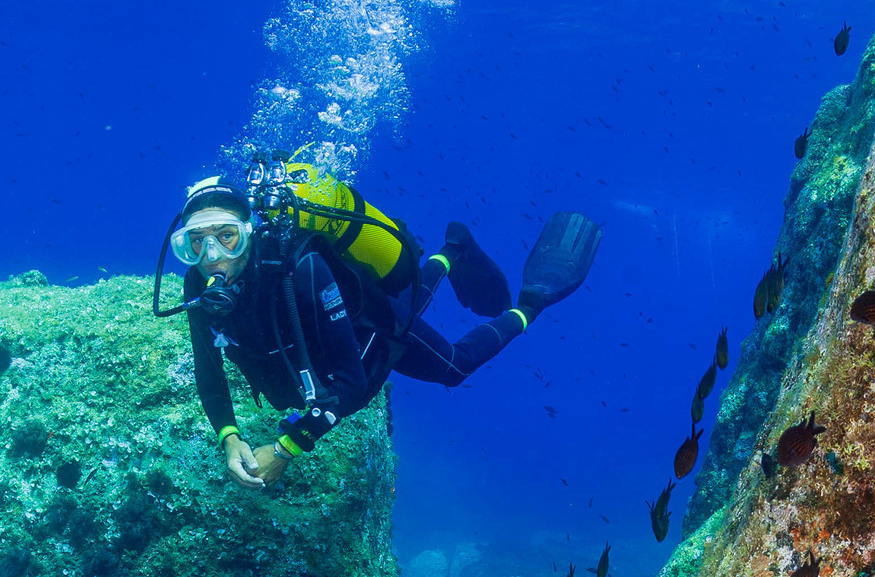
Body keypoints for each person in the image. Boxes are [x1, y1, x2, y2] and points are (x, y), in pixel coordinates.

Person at [165, 160, 601, 488]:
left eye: (226, 236)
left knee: (452, 365)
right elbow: (209, 373)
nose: (213, 257)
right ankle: (451, 251)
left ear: (249, 232)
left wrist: (286, 448)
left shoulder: (302, 269)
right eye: (195, 243)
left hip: (367, 332)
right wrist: (229, 436)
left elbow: (352, 385)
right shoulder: (198, 287)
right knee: (408, 299)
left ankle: (530, 305)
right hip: (339, 325)